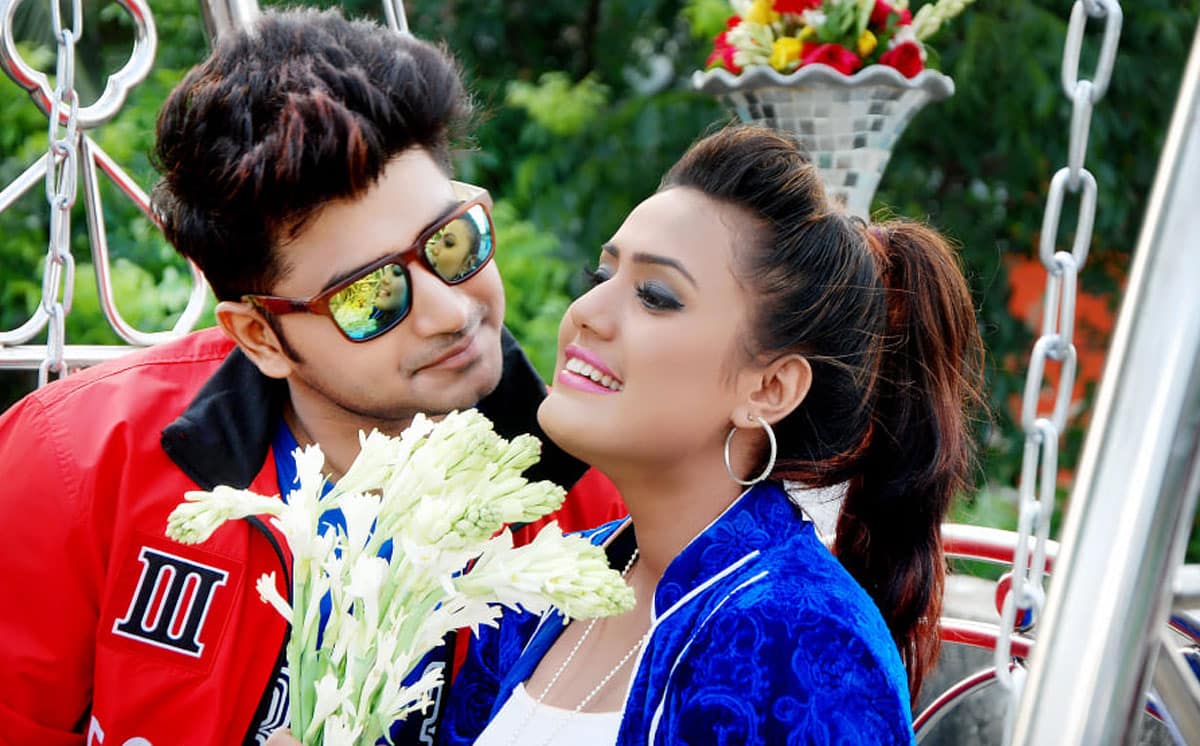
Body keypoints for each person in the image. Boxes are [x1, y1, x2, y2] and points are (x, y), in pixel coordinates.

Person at [0, 8, 624, 745]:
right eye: (369, 296)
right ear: (260, 336)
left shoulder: (597, 491)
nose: (451, 311)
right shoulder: (76, 462)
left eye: (451, 242)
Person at [440, 124, 984, 744]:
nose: (586, 313)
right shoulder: (543, 584)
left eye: (654, 296)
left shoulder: (801, 642)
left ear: (769, 389)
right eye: (601, 276)